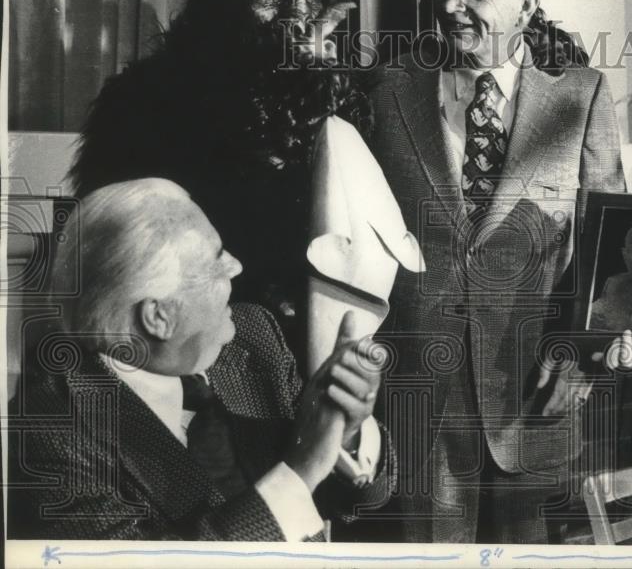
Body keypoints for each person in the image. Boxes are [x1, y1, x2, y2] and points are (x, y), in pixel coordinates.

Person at [364, 0, 632, 543]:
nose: (449, 5)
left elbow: (613, 250)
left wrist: (581, 359)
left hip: (535, 401)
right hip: (419, 408)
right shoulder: (388, 95)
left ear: (526, 4)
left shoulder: (580, 98)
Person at [68, 0, 375, 356]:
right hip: (189, 349)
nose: (298, 9)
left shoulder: (336, 91)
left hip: (314, 341)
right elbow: (122, 261)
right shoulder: (149, 96)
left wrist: (316, 94)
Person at [7, 179, 394, 540]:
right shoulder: (48, 434)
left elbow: (354, 499)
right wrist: (302, 469)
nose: (237, 267)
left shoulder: (252, 334)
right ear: (158, 316)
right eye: (216, 262)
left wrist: (345, 432)